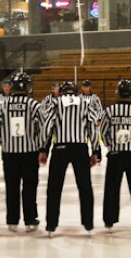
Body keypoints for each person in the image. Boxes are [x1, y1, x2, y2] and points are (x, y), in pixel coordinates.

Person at [40, 81, 100, 237]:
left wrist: (43, 149)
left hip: (60, 148)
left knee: (54, 187)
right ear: (75, 91)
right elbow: (92, 127)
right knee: (85, 187)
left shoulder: (56, 103)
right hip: (80, 148)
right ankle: (88, 223)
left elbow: (47, 126)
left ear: (62, 92)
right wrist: (95, 150)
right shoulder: (86, 103)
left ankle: (51, 225)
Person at [0, 72, 43, 232]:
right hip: (29, 152)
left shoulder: (3, 104)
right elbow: (41, 128)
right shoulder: (34, 105)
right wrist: (40, 146)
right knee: (29, 186)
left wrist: (4, 143)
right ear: (28, 87)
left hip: (9, 153)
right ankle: (30, 218)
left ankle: (12, 220)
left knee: (11, 186)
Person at [101, 79, 131, 232]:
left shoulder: (109, 111)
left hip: (115, 155)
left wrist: (111, 145)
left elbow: (103, 132)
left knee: (112, 189)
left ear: (118, 93)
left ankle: (109, 220)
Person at [80, 80, 103, 162]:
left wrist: (99, 118)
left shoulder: (95, 97)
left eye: (87, 86)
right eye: (84, 86)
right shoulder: (79, 97)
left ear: (90, 87)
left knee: (95, 138)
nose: (86, 88)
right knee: (82, 140)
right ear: (82, 87)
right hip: (82, 122)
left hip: (93, 121)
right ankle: (83, 156)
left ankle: (97, 156)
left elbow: (99, 108)